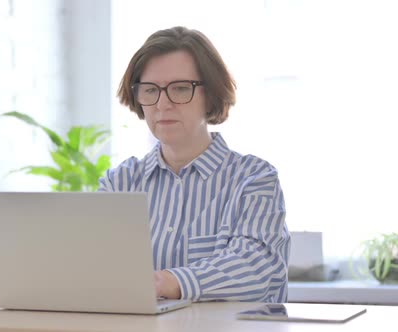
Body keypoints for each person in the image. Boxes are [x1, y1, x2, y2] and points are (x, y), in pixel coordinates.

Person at [98, 26, 290, 303]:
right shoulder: (120, 183)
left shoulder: (255, 179)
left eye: (179, 88)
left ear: (210, 95)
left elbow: (256, 270)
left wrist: (170, 282)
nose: (162, 104)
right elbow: (97, 269)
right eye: (150, 90)